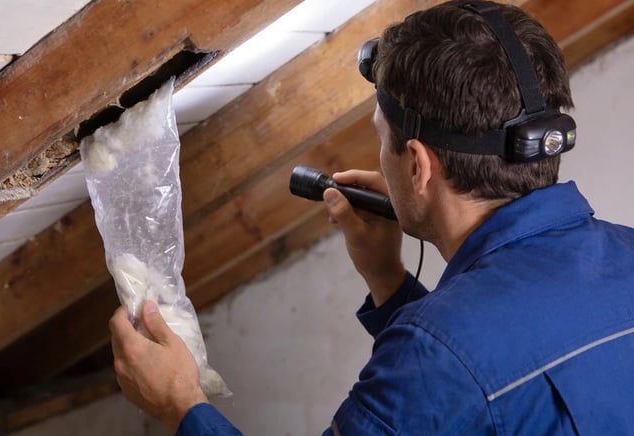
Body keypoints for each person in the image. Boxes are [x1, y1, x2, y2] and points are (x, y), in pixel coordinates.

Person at [108, 1, 634, 434]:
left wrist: (182, 405)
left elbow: (456, 373)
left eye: (383, 139)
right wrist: (387, 281)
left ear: (419, 165)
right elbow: (479, 390)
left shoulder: (434, 353)